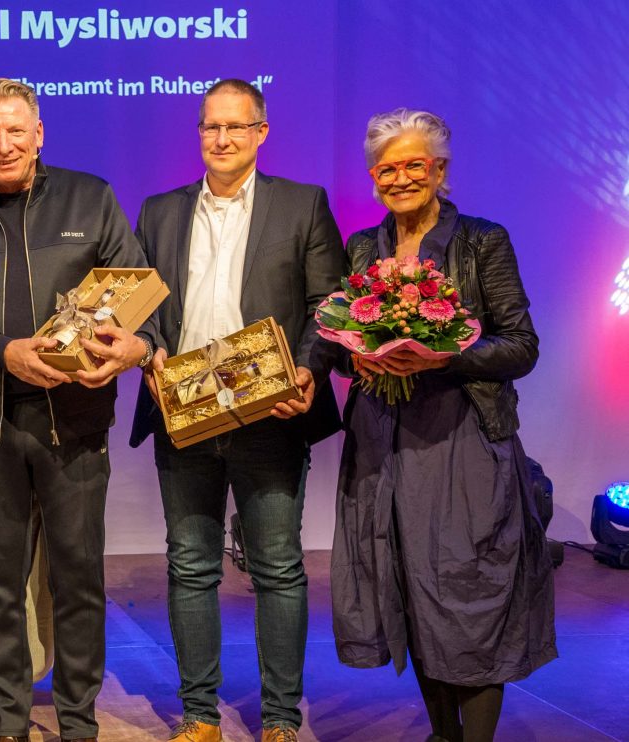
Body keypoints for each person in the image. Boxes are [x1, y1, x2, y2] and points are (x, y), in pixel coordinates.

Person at [0, 78, 154, 742]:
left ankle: (77, 723)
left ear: (39, 133)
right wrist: (2, 350)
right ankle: (9, 722)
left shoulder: (90, 196)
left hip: (75, 423)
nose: (4, 144)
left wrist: (138, 347)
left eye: (17, 130)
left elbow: (137, 292)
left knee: (78, 584)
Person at [128, 79, 345, 742]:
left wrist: (307, 369)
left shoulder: (302, 205)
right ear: (199, 133)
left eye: (235, 127)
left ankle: (280, 718)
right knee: (189, 564)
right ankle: (199, 715)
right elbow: (143, 309)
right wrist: (147, 352)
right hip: (183, 413)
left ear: (261, 133)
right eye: (210, 128)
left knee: (277, 567)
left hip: (269, 415)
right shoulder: (159, 211)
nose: (221, 140)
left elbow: (329, 304)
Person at [332, 108, 556, 742]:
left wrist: (447, 354)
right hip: (386, 441)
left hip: (463, 441)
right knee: (411, 590)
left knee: (470, 592)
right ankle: (443, 735)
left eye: (413, 165)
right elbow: (352, 341)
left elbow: (522, 346)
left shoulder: (483, 240)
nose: (399, 178)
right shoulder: (363, 247)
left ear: (439, 170)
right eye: (386, 168)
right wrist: (359, 356)